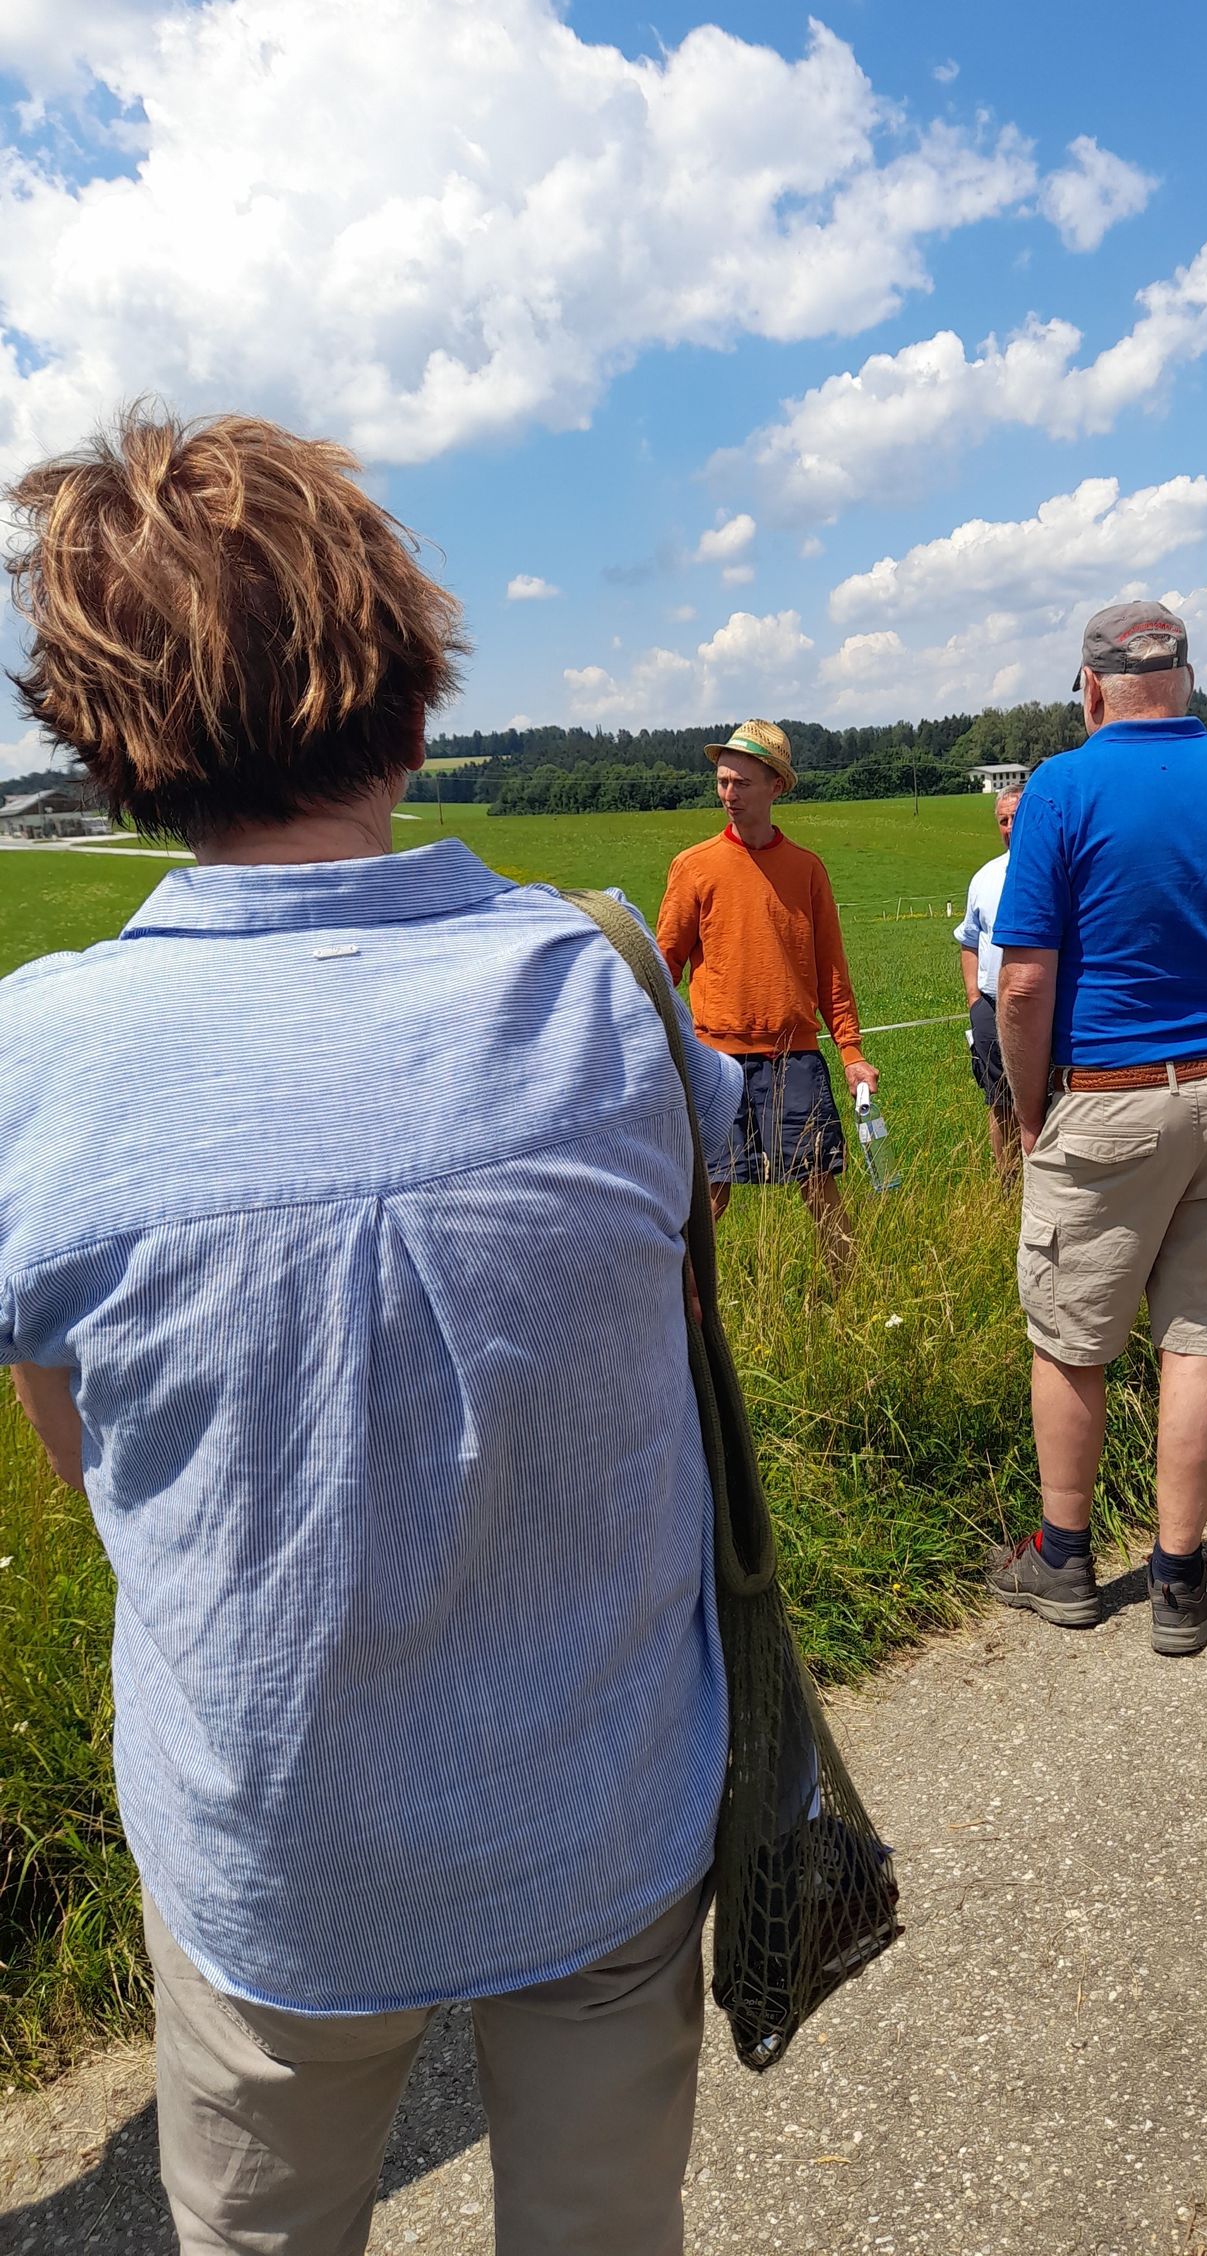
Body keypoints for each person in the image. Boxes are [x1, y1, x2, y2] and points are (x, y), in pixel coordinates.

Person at [0, 411, 744, 2256]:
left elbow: (82, 1449)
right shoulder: (610, 993)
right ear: (413, 702)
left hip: (278, 1854)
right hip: (603, 1807)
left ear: (105, 744)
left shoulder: (34, 1064)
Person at [983, 600, 1207, 1656]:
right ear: (1189, 678)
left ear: (1090, 686)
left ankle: (1065, 1557)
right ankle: (1181, 1580)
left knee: (1073, 1336)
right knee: (1202, 1339)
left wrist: (1032, 1101)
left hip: (1108, 1094)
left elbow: (1021, 984)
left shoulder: (1062, 787)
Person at [657, 720, 877, 1275]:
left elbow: (831, 971)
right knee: (708, 1195)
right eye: (723, 781)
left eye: (742, 783)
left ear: (776, 785)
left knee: (818, 1183)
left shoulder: (806, 870)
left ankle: (854, 1296)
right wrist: (655, 1042)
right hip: (715, 1059)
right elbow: (664, 966)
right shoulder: (694, 866)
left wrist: (850, 1053)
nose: (728, 794)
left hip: (793, 1055)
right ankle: (684, 1312)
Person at [954, 782, 1024, 1177]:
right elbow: (968, 941)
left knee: (1046, 1095)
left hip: (1040, 1005)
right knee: (997, 1098)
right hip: (991, 1004)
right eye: (1003, 820)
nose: (1011, 826)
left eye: (1018, 817)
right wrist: (973, 999)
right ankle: (1007, 1180)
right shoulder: (984, 878)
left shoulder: (1059, 871)